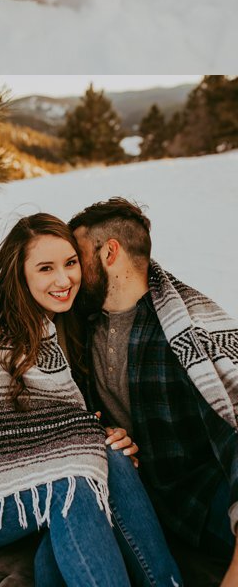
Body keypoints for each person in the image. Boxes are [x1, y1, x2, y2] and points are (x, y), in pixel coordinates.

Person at [0, 213, 183, 584]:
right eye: (45, 268)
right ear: (21, 273)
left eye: (70, 263)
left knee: (107, 457)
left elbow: (63, 423)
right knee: (72, 482)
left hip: (30, 482)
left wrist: (105, 435)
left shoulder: (64, 322)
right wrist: (79, 437)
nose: (63, 280)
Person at [72, 196, 238, 581]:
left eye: (77, 258)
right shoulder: (81, 325)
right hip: (140, 499)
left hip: (207, 498)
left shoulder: (184, 334)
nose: (71, 275)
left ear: (109, 252)